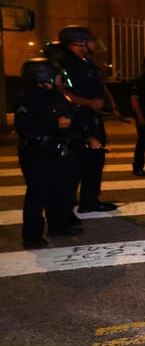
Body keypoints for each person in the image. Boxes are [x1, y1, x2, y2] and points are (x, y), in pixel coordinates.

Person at [14, 59, 98, 248]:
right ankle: (32, 236)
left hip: (58, 149)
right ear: (43, 77)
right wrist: (54, 123)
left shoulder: (57, 95)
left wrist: (88, 137)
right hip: (37, 152)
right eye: (57, 75)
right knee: (37, 194)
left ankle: (57, 226)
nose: (61, 78)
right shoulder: (28, 98)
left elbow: (72, 118)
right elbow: (25, 127)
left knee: (59, 191)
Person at [56, 25, 120, 213]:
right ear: (79, 41)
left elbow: (98, 85)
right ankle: (64, 212)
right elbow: (61, 92)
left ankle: (89, 201)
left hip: (91, 118)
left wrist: (111, 105)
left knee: (94, 161)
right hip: (77, 120)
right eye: (90, 40)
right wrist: (88, 103)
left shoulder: (85, 62)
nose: (93, 44)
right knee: (75, 166)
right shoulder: (66, 64)